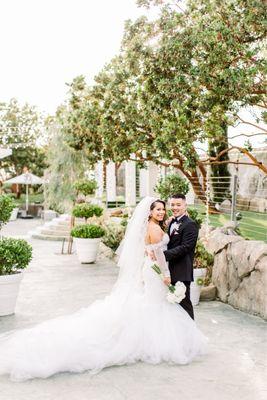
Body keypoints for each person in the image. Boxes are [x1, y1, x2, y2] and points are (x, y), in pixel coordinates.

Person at [0, 197, 206, 382]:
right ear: (150, 212)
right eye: (159, 209)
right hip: (157, 272)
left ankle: (170, 339)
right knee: (156, 306)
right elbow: (158, 253)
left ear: (183, 206)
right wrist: (166, 274)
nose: (163, 212)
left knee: (156, 305)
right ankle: (161, 342)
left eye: (164, 208)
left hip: (154, 270)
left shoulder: (163, 225)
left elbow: (169, 248)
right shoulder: (154, 228)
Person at [163, 193, 198, 320]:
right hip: (168, 270)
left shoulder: (190, 224)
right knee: (172, 306)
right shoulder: (171, 221)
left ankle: (191, 334)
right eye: (172, 204)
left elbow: (186, 247)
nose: (175, 207)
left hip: (181, 270)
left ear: (185, 205)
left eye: (178, 205)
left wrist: (162, 255)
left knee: (184, 304)